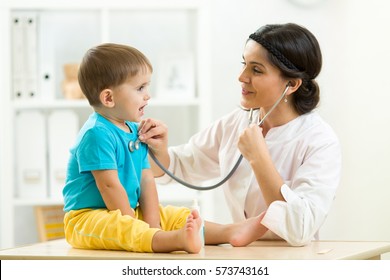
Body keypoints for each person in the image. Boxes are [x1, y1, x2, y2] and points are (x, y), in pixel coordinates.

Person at [138, 23, 342, 246]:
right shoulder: (236, 122)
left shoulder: (320, 141)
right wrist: (159, 152)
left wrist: (258, 157)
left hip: (293, 258)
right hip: (243, 253)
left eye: (256, 70)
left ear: (291, 84)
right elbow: (182, 165)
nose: (241, 77)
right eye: (244, 64)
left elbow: (299, 229)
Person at [62, 43, 268, 254]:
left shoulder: (134, 130)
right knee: (123, 228)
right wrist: (136, 225)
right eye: (140, 88)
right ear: (108, 98)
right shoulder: (96, 134)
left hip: (126, 212)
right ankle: (176, 241)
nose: (147, 95)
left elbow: (146, 179)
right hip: (87, 218)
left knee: (175, 216)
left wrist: (153, 224)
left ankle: (228, 232)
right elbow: (110, 187)